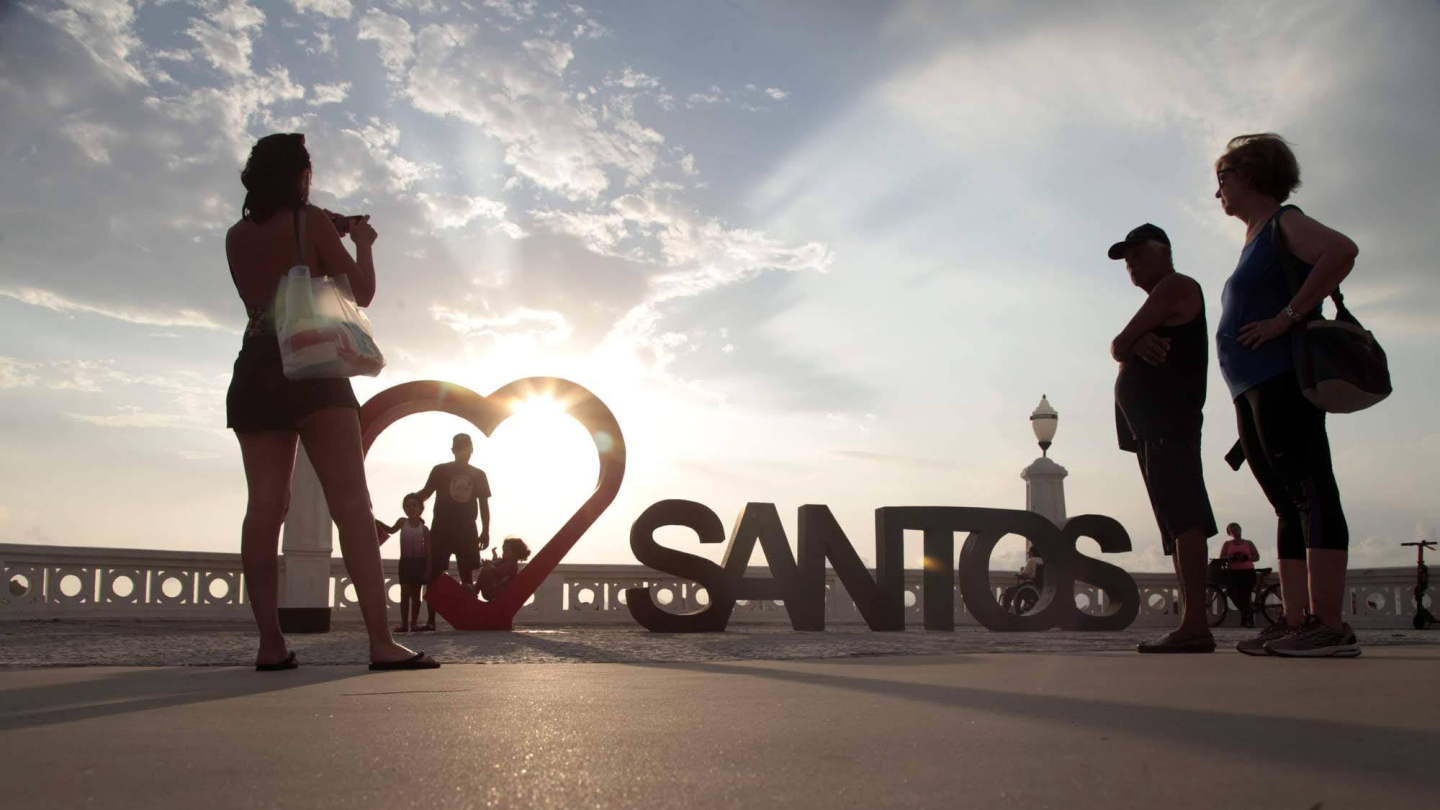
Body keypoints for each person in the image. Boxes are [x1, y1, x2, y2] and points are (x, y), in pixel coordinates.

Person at [225, 132, 437, 671]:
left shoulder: (235, 237)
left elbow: (265, 297)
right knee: (351, 506)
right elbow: (360, 292)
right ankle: (381, 642)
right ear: (301, 175)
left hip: (256, 367)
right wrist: (362, 240)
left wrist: (322, 225)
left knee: (265, 509)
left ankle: (270, 644)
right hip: (313, 366)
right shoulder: (311, 220)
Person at [1214, 133, 1361, 658]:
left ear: (1252, 175)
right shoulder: (1254, 236)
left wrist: (1288, 317)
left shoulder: (1284, 221)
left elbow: (1341, 251)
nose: (1219, 192)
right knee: (1284, 502)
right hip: (1249, 384)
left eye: (1223, 178)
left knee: (1311, 488)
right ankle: (1296, 621)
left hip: (1279, 376)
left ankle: (1329, 623)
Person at [1107, 223, 1219, 653]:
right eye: (1126, 259)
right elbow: (1125, 348)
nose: (1131, 264)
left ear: (1164, 251)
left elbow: (1118, 344)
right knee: (1173, 521)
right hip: (1153, 426)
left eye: (1138, 254)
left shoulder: (1176, 285)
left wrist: (1132, 344)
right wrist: (1137, 345)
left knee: (1184, 515)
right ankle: (1192, 622)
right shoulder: (1162, 300)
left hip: (1170, 420)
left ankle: (1195, 624)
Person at [415, 433, 492, 629]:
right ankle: (431, 621)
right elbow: (426, 493)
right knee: (435, 574)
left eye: (465, 447)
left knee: (466, 574)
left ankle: (468, 618)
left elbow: (483, 504)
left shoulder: (479, 474)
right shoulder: (440, 470)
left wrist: (485, 531)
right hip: (441, 529)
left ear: (472, 449)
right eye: (459, 447)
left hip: (467, 530)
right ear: (453, 450)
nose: (463, 451)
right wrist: (411, 500)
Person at [380, 494, 430, 633]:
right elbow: (390, 530)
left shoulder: (424, 529)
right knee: (405, 594)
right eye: (407, 506)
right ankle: (404, 624)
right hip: (405, 563)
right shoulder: (402, 522)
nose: (410, 508)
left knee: (416, 595)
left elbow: (428, 552)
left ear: (420, 508)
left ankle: (414, 623)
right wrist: (377, 522)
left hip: (419, 564)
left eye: (414, 505)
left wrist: (427, 570)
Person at [1219, 522, 1261, 627]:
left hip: (1247, 572)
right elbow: (1221, 558)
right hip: (1232, 572)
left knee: (1244, 596)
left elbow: (1256, 556)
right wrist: (1230, 558)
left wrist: (1247, 558)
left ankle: (1246, 620)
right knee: (1232, 593)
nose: (1236, 532)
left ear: (1240, 530)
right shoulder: (1227, 544)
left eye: (1237, 529)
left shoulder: (1248, 543)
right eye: (1233, 530)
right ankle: (1248, 614)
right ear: (1229, 533)